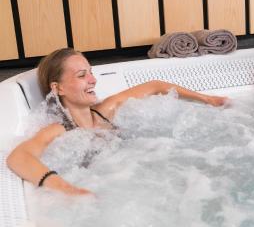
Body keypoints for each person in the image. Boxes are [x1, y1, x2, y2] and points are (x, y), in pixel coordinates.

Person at [6, 48, 228, 195]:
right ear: (58, 88)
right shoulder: (59, 130)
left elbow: (156, 85)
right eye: (82, 75)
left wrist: (207, 98)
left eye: (91, 73)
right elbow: (18, 157)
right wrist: (65, 188)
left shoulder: (105, 111)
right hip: (102, 187)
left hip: (138, 180)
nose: (93, 80)